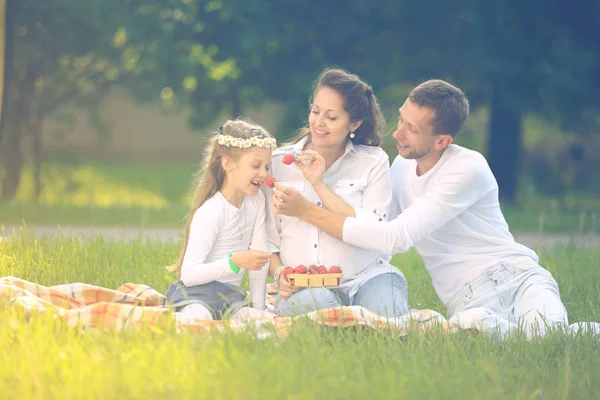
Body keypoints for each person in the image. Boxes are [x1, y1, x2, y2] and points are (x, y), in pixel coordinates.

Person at [271, 79, 599, 338]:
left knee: (548, 338)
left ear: (441, 141)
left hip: (518, 278)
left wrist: (308, 210)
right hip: (467, 302)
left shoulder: (467, 168)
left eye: (411, 129)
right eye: (401, 118)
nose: (397, 133)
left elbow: (394, 238)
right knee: (493, 333)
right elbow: (369, 225)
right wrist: (319, 189)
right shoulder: (398, 168)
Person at [264, 68, 409, 319]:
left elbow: (372, 232)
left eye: (331, 117)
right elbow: (264, 237)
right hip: (305, 285)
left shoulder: (373, 162)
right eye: (315, 111)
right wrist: (278, 274)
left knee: (389, 315)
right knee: (319, 307)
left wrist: (319, 185)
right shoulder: (278, 163)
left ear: (354, 123)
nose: (318, 122)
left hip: (367, 276)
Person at [165, 118, 277, 321]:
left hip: (230, 300)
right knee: (199, 318)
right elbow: (189, 275)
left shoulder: (256, 201)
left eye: (267, 167)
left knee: (265, 322)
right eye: (256, 165)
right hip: (196, 295)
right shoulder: (211, 212)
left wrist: (259, 308)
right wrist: (233, 263)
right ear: (228, 164)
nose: (264, 174)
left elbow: (259, 261)